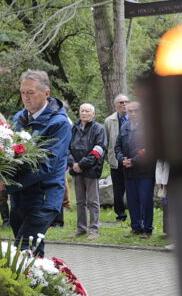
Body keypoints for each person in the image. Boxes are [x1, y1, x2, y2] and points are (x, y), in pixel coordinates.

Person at [0, 70, 71, 257]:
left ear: (46, 93)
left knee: (22, 252)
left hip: (44, 198)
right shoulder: (19, 118)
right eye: (22, 92)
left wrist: (6, 185)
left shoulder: (59, 123)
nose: (25, 97)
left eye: (30, 92)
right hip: (20, 198)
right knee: (32, 256)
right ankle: (40, 285)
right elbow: (8, 155)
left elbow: (47, 166)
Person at [115, 101, 156, 238]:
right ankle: (136, 227)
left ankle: (147, 229)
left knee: (145, 200)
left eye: (136, 110)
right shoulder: (125, 127)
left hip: (145, 171)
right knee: (132, 200)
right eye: (130, 111)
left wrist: (134, 161)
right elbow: (118, 146)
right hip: (129, 171)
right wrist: (122, 159)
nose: (133, 113)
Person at [67, 103, 106, 240]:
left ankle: (94, 229)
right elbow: (67, 148)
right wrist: (73, 163)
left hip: (91, 169)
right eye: (82, 110)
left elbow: (99, 149)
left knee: (92, 201)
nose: (84, 113)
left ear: (93, 114)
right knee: (80, 201)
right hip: (76, 170)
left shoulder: (99, 129)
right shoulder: (73, 128)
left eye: (87, 111)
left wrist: (82, 164)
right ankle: (81, 228)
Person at [105, 94, 130, 223]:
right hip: (116, 160)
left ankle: (135, 212)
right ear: (116, 105)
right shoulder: (109, 120)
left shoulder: (134, 118)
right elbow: (106, 141)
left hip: (131, 161)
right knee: (118, 189)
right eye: (121, 102)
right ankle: (120, 214)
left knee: (132, 187)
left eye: (126, 101)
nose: (124, 104)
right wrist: (109, 157)